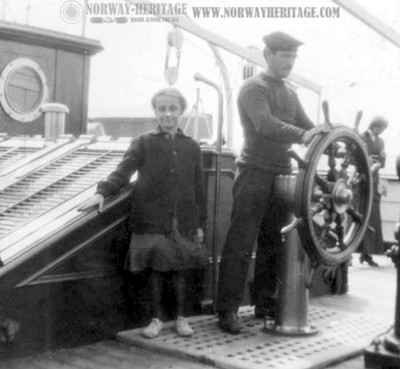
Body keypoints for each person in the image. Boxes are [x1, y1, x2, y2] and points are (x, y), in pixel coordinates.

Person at [217, 31, 327, 334]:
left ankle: (263, 304)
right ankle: (226, 311)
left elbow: (307, 125)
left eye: (293, 57)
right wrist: (303, 135)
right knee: (240, 243)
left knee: (271, 243)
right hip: (253, 172)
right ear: (268, 56)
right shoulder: (253, 88)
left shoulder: (290, 92)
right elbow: (264, 124)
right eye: (284, 56)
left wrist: (326, 132)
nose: (289, 63)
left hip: (281, 175)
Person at [79, 87, 207, 338]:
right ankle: (156, 320)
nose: (167, 114)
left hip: (183, 220)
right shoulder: (143, 143)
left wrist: (200, 223)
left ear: (180, 111)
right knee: (156, 271)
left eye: (172, 109)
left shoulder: (192, 147)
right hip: (151, 218)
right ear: (155, 112)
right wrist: (102, 193)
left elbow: (199, 188)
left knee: (180, 269)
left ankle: (181, 319)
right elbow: (123, 171)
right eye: (162, 109)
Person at [359, 116, 388, 267]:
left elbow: (383, 162)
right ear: (376, 125)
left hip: (374, 181)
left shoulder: (381, 141)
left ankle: (367, 253)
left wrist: (381, 159)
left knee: (373, 216)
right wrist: (369, 159)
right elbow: (357, 158)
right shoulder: (362, 137)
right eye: (382, 128)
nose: (382, 132)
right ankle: (350, 253)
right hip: (362, 180)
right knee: (358, 215)